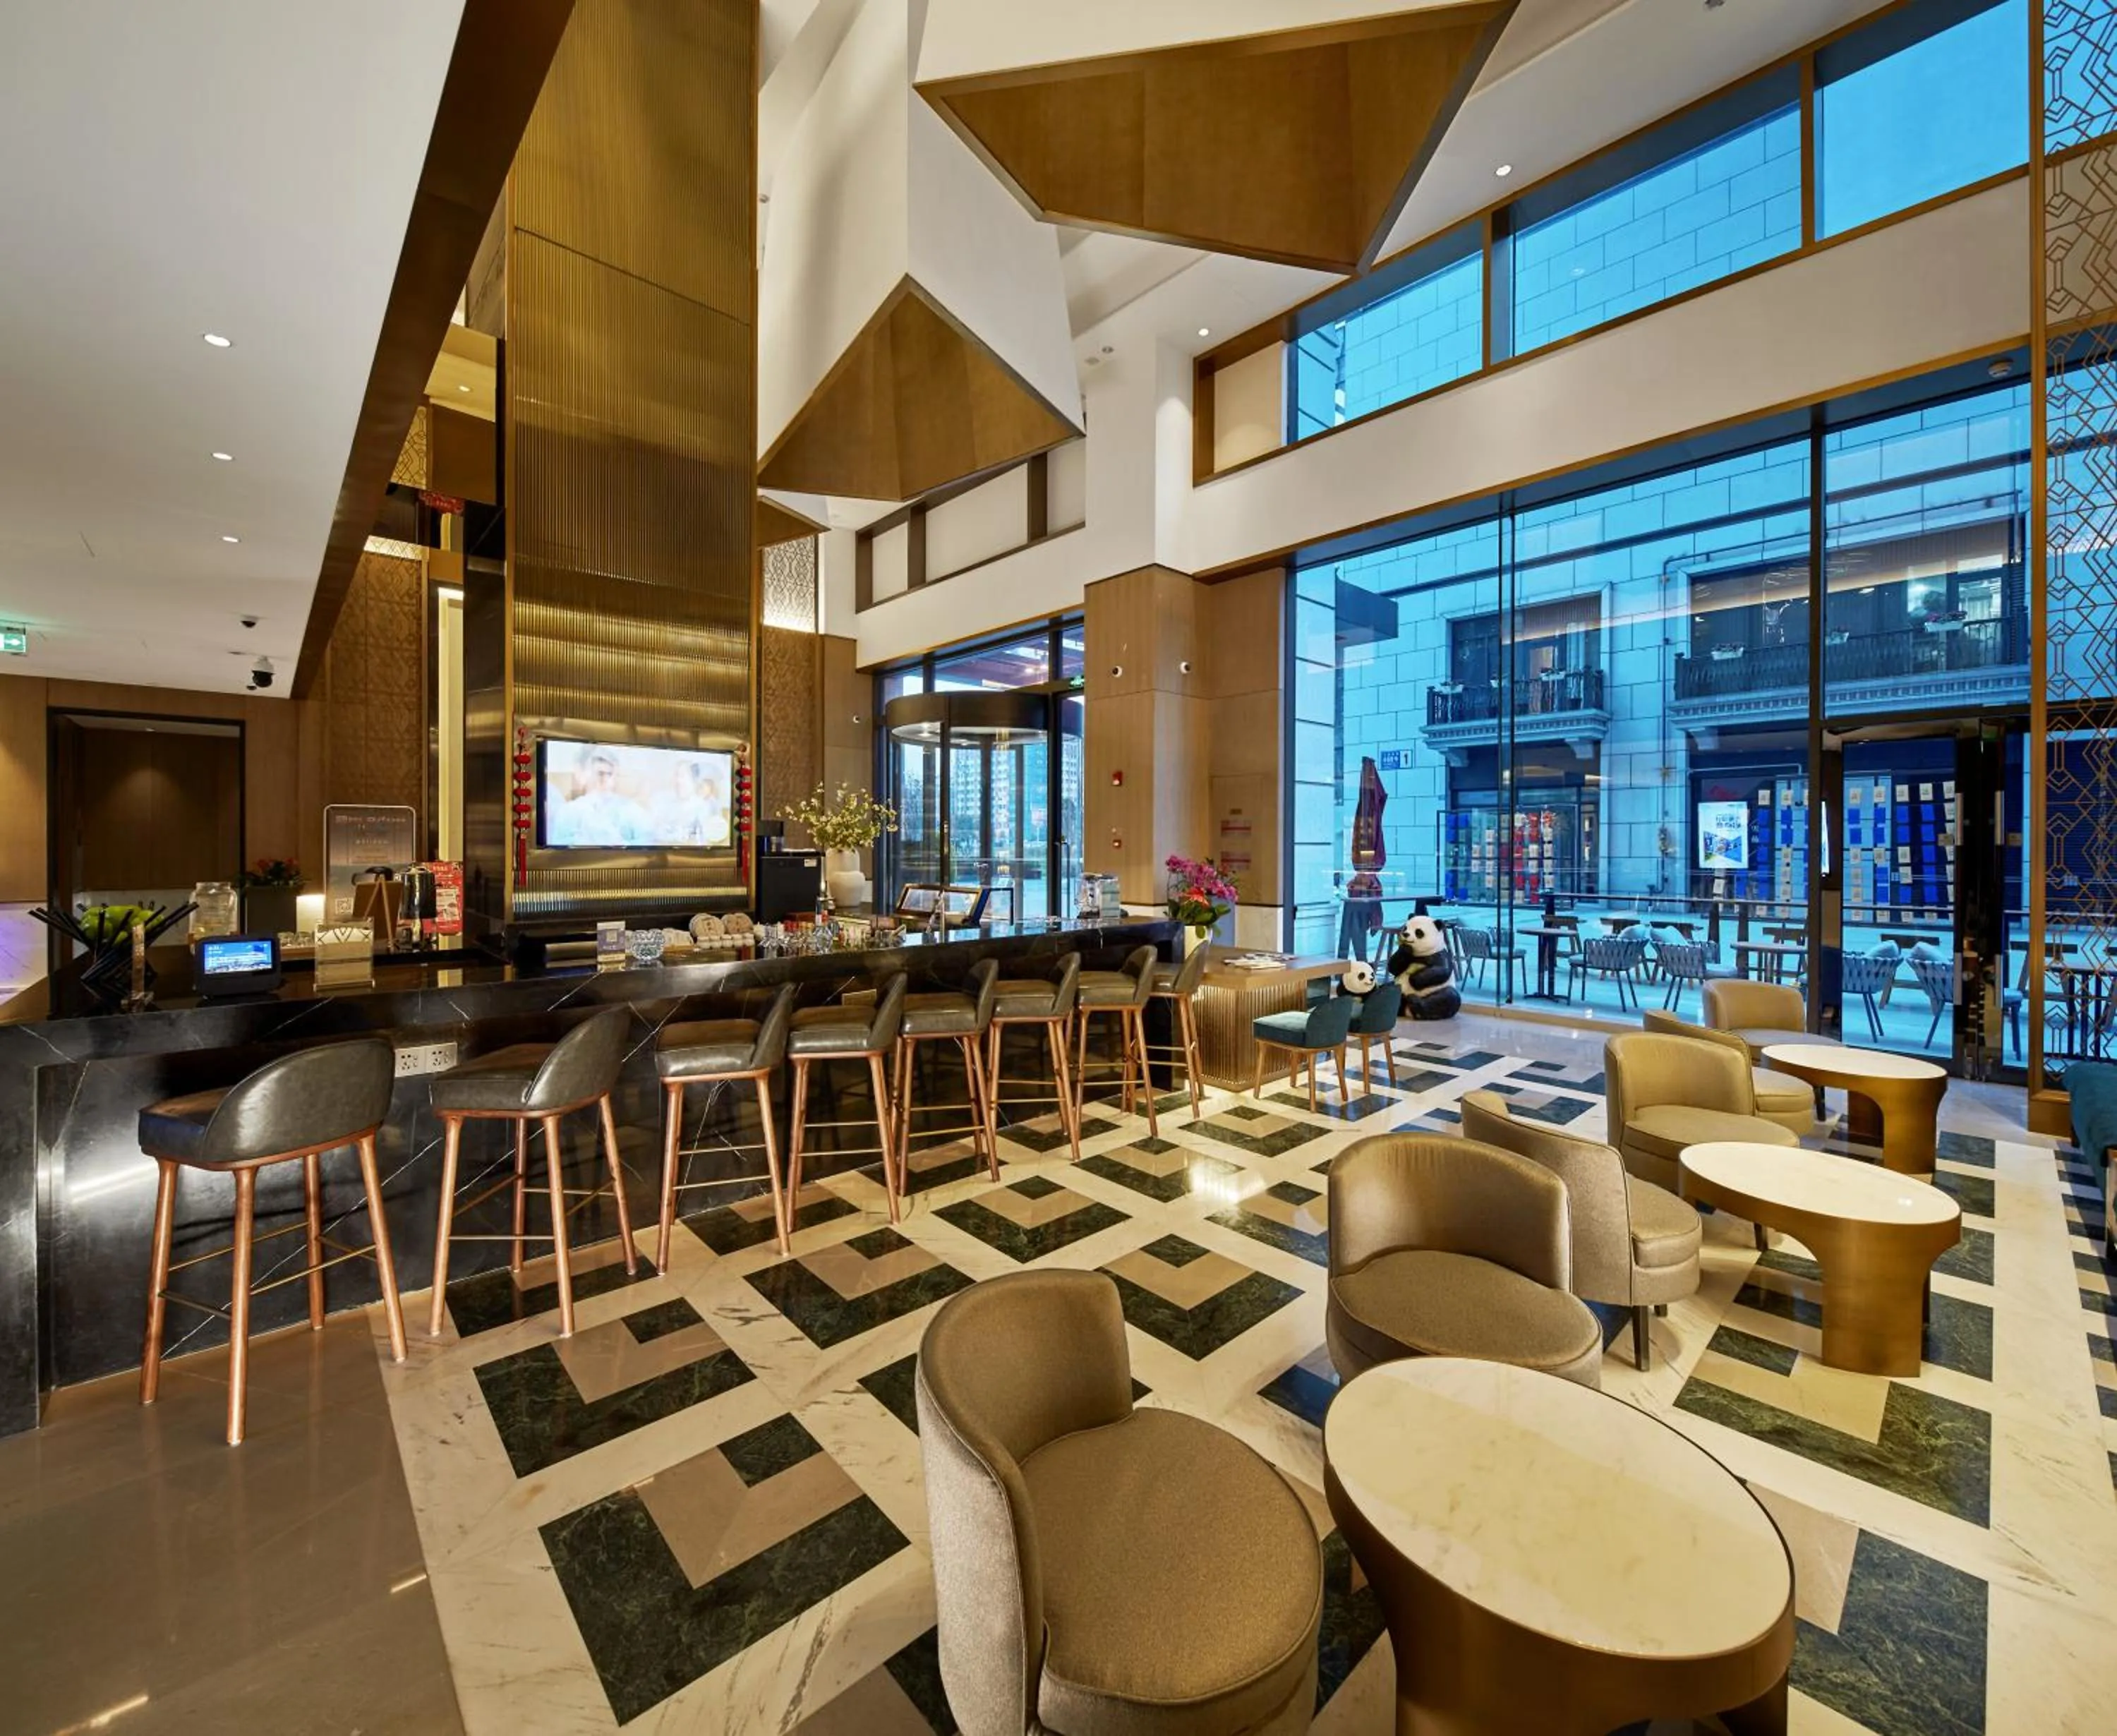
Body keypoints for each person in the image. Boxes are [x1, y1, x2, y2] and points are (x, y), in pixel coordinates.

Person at [548, 747, 649, 846]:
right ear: (583, 775)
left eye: (610, 774)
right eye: (600, 774)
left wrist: (620, 844)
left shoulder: (631, 810)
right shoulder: (569, 811)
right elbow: (558, 851)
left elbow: (647, 845)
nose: (607, 781)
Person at [651, 758, 730, 847]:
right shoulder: (665, 804)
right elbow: (656, 834)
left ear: (694, 781)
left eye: (682, 776)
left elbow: (704, 842)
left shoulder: (703, 807)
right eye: (676, 776)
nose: (678, 781)